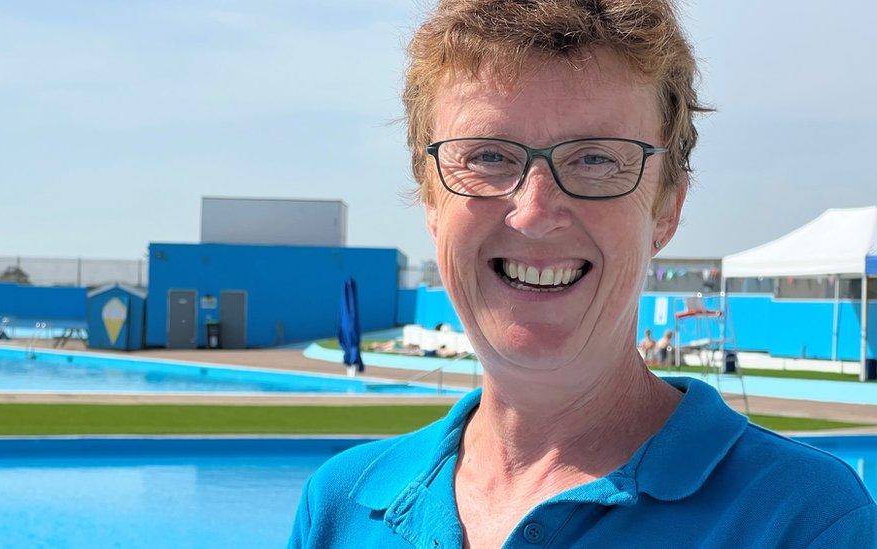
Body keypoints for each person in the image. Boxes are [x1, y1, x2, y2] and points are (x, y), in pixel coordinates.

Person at [289, 1, 876, 546]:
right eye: (489, 156)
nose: (536, 214)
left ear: (667, 206)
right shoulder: (340, 507)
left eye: (595, 159)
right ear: (430, 203)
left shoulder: (806, 521)